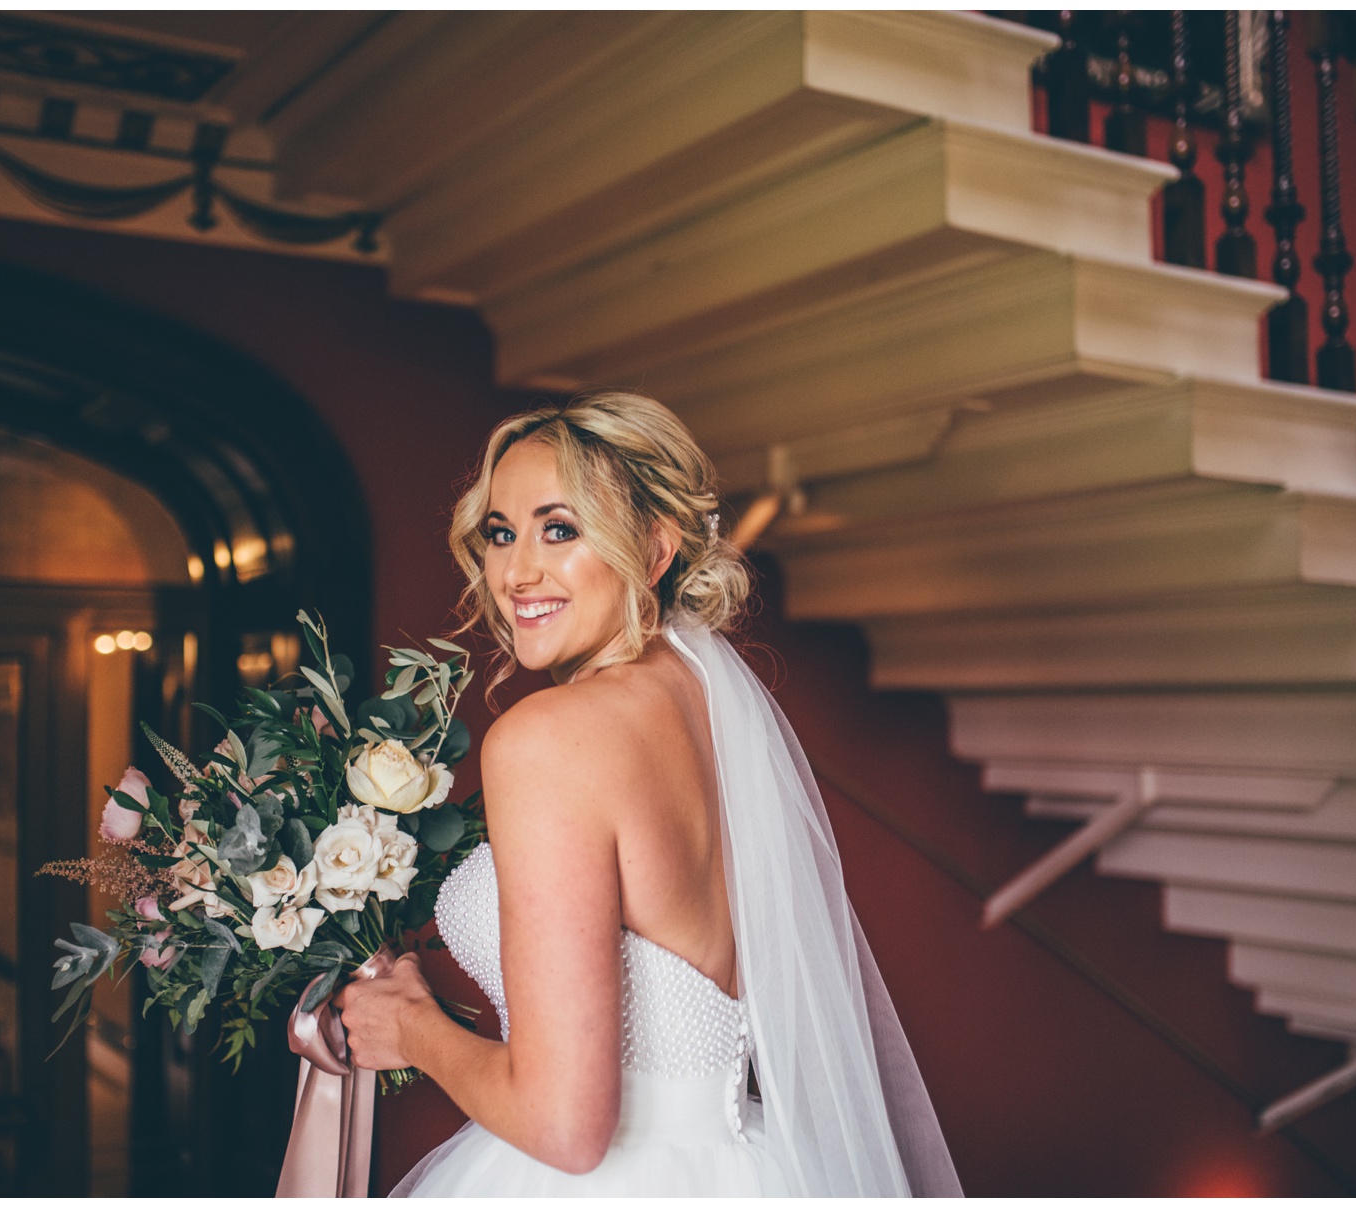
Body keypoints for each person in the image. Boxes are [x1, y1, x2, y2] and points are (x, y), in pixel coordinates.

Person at [336, 391, 961, 1196]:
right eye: (500, 532)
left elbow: (565, 1127)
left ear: (655, 548)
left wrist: (410, 1027)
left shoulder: (547, 737)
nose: (516, 571)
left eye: (560, 529)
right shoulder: (701, 693)